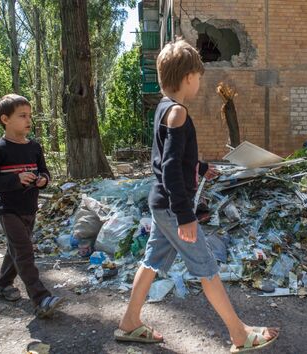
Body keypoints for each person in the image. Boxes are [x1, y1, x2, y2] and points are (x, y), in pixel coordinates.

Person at [114, 40, 279, 353]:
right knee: (207, 268)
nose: (200, 83)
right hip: (173, 207)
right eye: (199, 77)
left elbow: (172, 157)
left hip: (161, 203)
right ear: (189, 77)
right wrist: (186, 216)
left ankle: (129, 322)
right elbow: (170, 168)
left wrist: (201, 167)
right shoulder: (177, 112)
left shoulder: (164, 108)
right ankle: (239, 334)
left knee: (151, 263)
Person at [0, 94, 63, 318]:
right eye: (22, 116)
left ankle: (3, 284)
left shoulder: (35, 147)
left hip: (30, 207)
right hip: (8, 209)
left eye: (30, 116)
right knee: (25, 251)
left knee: (16, 249)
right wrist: (16, 179)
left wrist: (43, 180)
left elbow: (44, 172)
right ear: (5, 119)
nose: (29, 120)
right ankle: (41, 299)